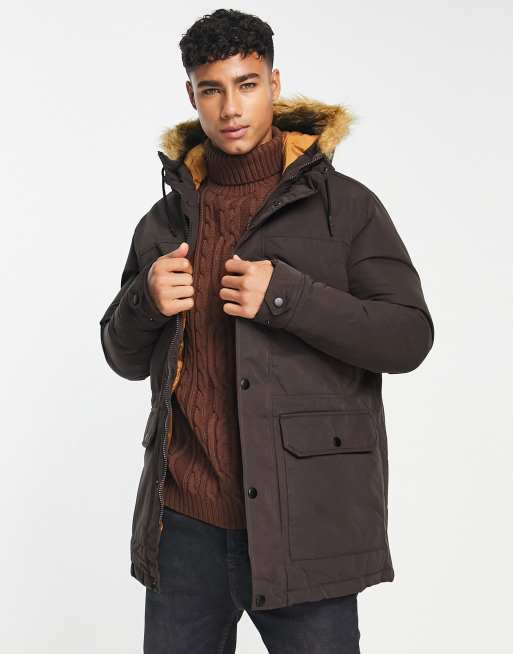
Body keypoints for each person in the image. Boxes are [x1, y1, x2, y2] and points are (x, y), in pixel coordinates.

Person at [99, 8, 435, 653]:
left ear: (274, 85)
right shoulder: (164, 223)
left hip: (304, 526)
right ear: (191, 95)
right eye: (212, 89)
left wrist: (288, 298)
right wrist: (145, 301)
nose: (230, 108)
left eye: (247, 84)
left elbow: (408, 337)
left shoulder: (346, 207)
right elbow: (122, 356)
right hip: (183, 529)